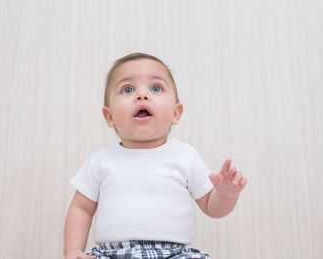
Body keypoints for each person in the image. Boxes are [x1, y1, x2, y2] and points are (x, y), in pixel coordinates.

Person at [63, 53, 247, 259]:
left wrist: (226, 195)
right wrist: (72, 251)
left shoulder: (186, 157)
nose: (141, 95)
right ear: (109, 116)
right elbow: (81, 209)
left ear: (176, 113)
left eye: (156, 88)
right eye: (128, 89)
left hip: (173, 254)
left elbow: (212, 208)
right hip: (112, 254)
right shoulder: (100, 161)